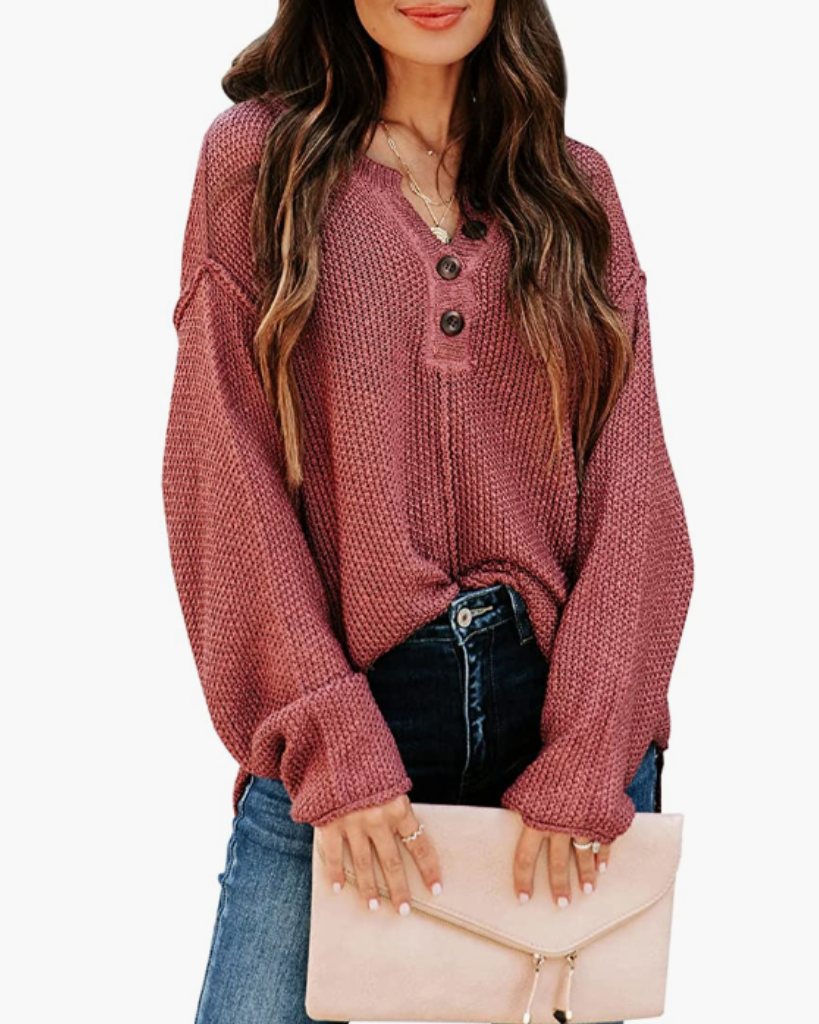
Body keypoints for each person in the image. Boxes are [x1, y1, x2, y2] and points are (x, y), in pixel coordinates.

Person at [161, 2, 695, 1022]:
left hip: (563, 717)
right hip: (350, 709)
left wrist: (593, 745)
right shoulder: (257, 164)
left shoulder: (574, 188)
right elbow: (220, 463)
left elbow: (634, 483)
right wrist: (329, 734)